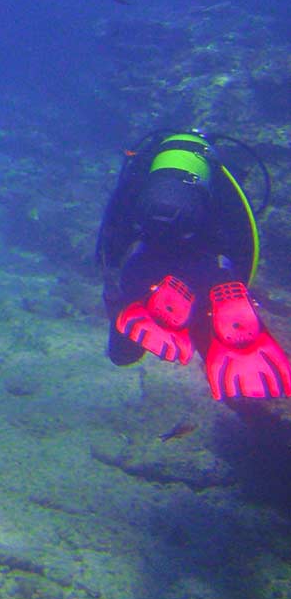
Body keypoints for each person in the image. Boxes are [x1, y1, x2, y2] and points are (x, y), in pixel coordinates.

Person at [96, 128, 288, 400]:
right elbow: (246, 233)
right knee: (215, 329)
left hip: (145, 263)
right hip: (205, 269)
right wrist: (241, 282)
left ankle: (152, 313)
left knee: (123, 356)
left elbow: (112, 226)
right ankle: (232, 353)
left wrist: (111, 287)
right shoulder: (215, 171)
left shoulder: (143, 165)